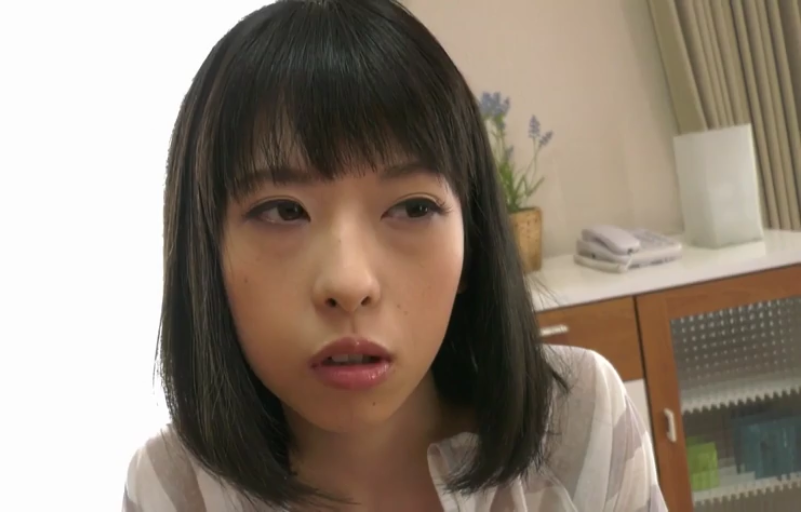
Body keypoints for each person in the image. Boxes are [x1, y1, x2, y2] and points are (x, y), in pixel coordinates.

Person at [123, 0, 667, 510]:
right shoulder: (174, 490)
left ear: (472, 241)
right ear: (207, 254)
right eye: (284, 211)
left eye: (412, 207)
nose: (349, 282)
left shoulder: (579, 424)